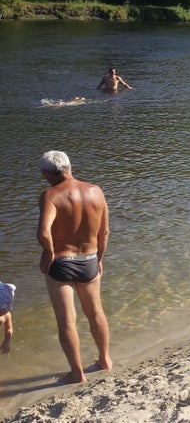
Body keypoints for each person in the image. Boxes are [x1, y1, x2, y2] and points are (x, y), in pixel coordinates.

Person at [37, 151, 112, 383]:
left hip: (61, 264)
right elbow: (104, 231)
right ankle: (105, 360)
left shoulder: (50, 195)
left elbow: (43, 232)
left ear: (49, 173)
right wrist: (99, 258)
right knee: (96, 312)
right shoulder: (96, 191)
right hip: (89, 260)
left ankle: (77, 373)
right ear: (69, 167)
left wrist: (49, 253)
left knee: (67, 321)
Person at [0, 282, 14, 355]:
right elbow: (9, 329)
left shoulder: (6, 314)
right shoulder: (6, 314)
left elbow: (9, 329)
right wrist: (6, 342)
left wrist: (6, 342)